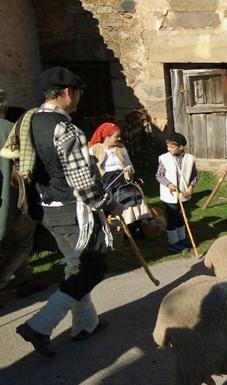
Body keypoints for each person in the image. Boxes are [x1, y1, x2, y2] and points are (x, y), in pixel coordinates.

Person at [15, 67, 123, 357]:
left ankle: (85, 324)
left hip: (46, 208)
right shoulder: (65, 128)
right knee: (94, 266)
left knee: (76, 267)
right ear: (66, 93)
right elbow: (84, 184)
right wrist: (111, 205)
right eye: (77, 93)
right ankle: (40, 326)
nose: (78, 99)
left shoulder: (29, 120)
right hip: (72, 211)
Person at [0, 89, 39, 302]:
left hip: (7, 201)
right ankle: (2, 281)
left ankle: (26, 280)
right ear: (4, 108)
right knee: (22, 243)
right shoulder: (11, 130)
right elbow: (29, 165)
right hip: (15, 200)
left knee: (11, 243)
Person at [88, 122, 152, 231]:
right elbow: (90, 170)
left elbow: (129, 165)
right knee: (124, 193)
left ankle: (138, 222)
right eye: (116, 136)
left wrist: (128, 170)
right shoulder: (94, 149)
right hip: (105, 181)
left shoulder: (121, 149)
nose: (119, 138)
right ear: (107, 137)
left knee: (135, 191)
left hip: (122, 177)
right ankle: (125, 224)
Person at [155, 132, 197, 253]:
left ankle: (182, 239)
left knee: (182, 216)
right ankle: (173, 242)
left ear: (181, 147)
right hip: (170, 195)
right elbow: (159, 175)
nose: (169, 149)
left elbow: (194, 176)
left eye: (172, 147)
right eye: (168, 146)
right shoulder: (164, 158)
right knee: (173, 217)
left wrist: (191, 187)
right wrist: (169, 184)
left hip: (184, 193)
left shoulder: (190, 159)